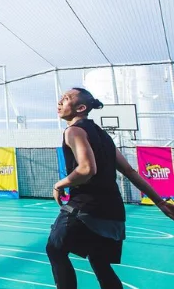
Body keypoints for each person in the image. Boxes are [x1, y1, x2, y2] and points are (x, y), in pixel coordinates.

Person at [47, 87, 174, 289]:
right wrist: (160, 202)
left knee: (55, 249)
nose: (60, 102)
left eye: (66, 98)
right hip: (112, 210)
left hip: (85, 208)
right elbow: (130, 171)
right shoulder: (103, 136)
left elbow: (87, 169)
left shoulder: (74, 130)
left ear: (80, 108)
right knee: (100, 262)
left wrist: (59, 184)